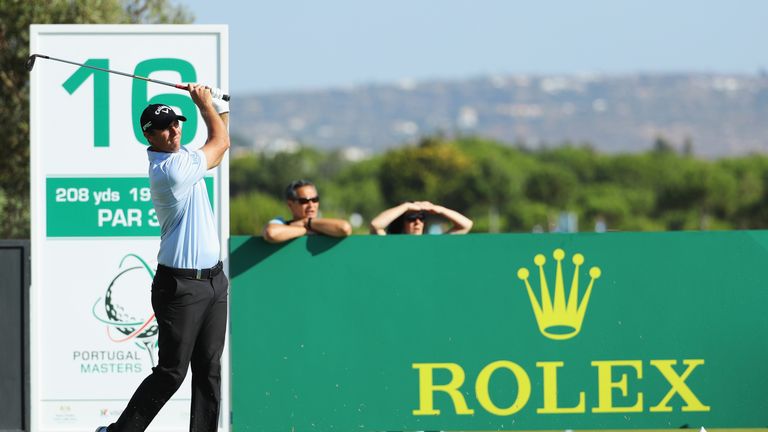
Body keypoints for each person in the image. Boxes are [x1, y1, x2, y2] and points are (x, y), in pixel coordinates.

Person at [96, 84, 230, 432]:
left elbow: (218, 149)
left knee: (209, 370)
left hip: (214, 280)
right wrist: (206, 106)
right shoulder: (170, 171)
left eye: (177, 123)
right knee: (172, 373)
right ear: (149, 135)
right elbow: (220, 143)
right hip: (181, 285)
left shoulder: (184, 157)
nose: (175, 130)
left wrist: (219, 105)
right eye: (166, 127)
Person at [262, 179, 352, 243]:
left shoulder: (325, 225)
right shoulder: (281, 223)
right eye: (304, 201)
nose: (311, 205)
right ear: (290, 204)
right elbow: (271, 233)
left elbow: (344, 228)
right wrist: (304, 229)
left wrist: (306, 222)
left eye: (315, 199)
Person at [370, 201, 473, 235]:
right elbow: (376, 225)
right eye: (411, 218)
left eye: (421, 217)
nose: (417, 222)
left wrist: (439, 209)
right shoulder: (390, 244)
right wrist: (405, 206)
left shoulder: (432, 245)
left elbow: (466, 225)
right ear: (401, 223)